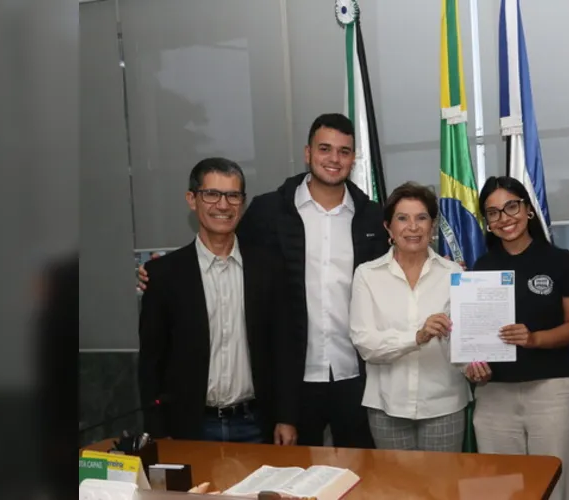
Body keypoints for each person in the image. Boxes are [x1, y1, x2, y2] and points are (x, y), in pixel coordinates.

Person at [140, 114, 389, 448]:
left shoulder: (372, 216)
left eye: (344, 151)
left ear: (353, 158)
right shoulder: (268, 211)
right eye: (325, 148)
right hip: (292, 380)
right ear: (307, 152)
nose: (334, 159)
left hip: (356, 375)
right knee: (296, 481)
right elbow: (221, 241)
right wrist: (163, 273)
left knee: (365, 477)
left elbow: (394, 272)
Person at [138, 158, 302, 444]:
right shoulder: (163, 275)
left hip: (256, 424)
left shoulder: (269, 267)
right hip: (189, 428)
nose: (223, 205)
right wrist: (157, 431)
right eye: (211, 194)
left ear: (243, 202)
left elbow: (284, 348)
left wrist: (286, 417)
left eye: (233, 195)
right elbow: (152, 360)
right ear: (192, 199)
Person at [465, 176, 569, 500]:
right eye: (493, 213)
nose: (505, 218)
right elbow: (476, 337)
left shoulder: (561, 261)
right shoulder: (481, 269)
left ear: (528, 209)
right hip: (494, 397)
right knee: (502, 490)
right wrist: (474, 363)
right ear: (487, 223)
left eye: (511, 207)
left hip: (550, 393)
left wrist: (535, 339)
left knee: (557, 488)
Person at [348, 182, 470, 451]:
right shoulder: (367, 275)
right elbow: (366, 345)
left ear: (433, 225)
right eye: (402, 218)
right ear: (388, 228)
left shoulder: (456, 275)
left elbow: (462, 343)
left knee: (442, 490)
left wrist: (475, 364)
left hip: (444, 404)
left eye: (421, 218)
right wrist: (417, 336)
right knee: (397, 490)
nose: (412, 227)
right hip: (386, 405)